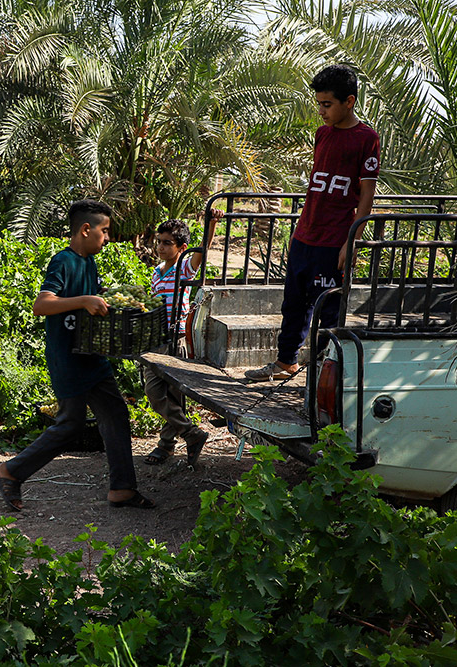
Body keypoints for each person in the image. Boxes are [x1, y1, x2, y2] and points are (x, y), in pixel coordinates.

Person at [0, 199, 154, 511]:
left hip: (91, 357)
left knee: (116, 414)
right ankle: (10, 471)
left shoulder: (89, 264)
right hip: (67, 358)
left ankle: (122, 489)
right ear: (85, 229)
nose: (107, 238)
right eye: (104, 231)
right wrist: (83, 300)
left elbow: (88, 305)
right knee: (70, 424)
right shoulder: (63, 262)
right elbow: (42, 305)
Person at [245, 64, 380, 381]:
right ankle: (285, 362)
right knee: (293, 303)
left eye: (327, 104)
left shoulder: (366, 139)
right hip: (304, 235)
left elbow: (366, 198)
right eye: (318, 103)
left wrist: (352, 240)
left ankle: (323, 376)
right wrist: (299, 232)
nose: (321, 110)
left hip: (333, 241)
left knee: (328, 311)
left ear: (349, 101)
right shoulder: (322, 134)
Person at [142, 209, 223, 467]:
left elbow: (203, 252)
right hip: (156, 336)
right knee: (154, 390)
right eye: (158, 241)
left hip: (175, 337)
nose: (160, 247)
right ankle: (191, 433)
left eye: (167, 243)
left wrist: (210, 225)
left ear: (181, 247)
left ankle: (166, 446)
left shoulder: (183, 267)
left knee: (174, 395)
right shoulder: (156, 272)